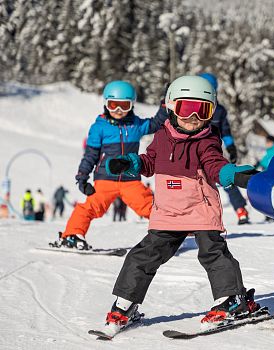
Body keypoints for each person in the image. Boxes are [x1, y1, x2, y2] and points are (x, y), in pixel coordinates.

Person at [100, 76, 261, 334]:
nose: (194, 117)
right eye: (187, 108)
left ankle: (231, 300)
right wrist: (131, 163)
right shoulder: (162, 136)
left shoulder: (207, 139)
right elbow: (150, 161)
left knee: (213, 253)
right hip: (168, 212)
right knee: (143, 255)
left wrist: (231, 174)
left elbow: (214, 164)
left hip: (201, 209)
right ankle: (123, 306)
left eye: (203, 110)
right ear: (172, 107)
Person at [53, 80, 169, 250]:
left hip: (130, 180)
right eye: (113, 105)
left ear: (132, 105)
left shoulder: (135, 125)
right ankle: (72, 235)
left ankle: (172, 230)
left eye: (124, 105)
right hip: (105, 179)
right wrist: (82, 178)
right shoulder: (99, 128)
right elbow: (90, 155)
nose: (119, 111)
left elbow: (156, 123)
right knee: (90, 207)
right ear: (106, 104)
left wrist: (165, 105)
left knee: (149, 206)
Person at [199, 73, 250, 225]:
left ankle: (241, 209)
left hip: (212, 152)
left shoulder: (219, 111)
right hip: (193, 152)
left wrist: (231, 147)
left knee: (225, 179)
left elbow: (225, 131)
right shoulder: (192, 107)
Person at [256, 135, 274, 222]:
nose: (266, 144)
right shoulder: (270, 151)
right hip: (269, 175)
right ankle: (270, 214)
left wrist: (260, 164)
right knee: (269, 195)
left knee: (271, 195)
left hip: (273, 176)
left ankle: (273, 214)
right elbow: (264, 160)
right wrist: (258, 164)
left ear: (272, 142)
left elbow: (269, 162)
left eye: (267, 142)